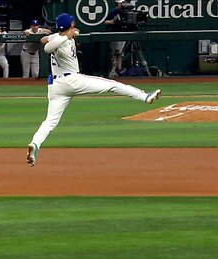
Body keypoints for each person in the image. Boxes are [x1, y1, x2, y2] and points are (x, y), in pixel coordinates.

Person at [25, 13, 162, 167]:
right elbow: (47, 47)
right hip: (72, 80)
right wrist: (64, 36)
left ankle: (35, 144)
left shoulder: (59, 36)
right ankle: (144, 97)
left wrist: (66, 34)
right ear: (70, 25)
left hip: (56, 86)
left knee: (50, 122)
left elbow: (45, 39)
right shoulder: (60, 40)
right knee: (112, 84)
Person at [104, 0, 127, 78]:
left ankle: (119, 70)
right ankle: (112, 71)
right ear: (118, 3)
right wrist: (112, 21)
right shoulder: (114, 12)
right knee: (115, 53)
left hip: (123, 35)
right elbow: (105, 22)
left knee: (120, 54)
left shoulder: (125, 12)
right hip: (114, 35)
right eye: (121, 3)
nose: (122, 4)